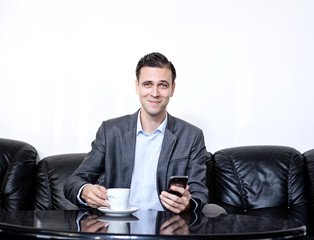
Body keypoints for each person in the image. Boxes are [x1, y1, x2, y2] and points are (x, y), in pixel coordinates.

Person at [64, 52, 208, 213]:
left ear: (172, 89)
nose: (154, 93)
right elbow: (74, 181)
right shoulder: (111, 131)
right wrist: (85, 190)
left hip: (168, 227)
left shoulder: (191, 136)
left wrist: (187, 204)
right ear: (137, 86)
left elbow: (199, 193)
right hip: (118, 226)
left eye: (162, 85)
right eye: (147, 84)